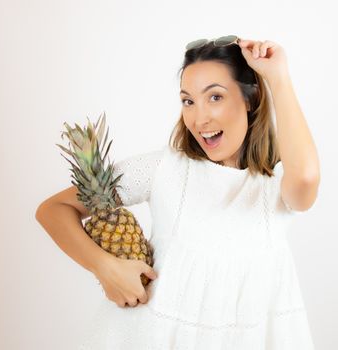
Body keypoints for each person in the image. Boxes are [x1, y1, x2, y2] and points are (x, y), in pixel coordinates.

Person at [36, 35, 320, 349]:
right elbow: (54, 209)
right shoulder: (165, 168)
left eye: (215, 97)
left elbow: (306, 180)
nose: (199, 119)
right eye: (188, 101)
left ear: (249, 99)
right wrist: (105, 267)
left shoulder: (276, 185)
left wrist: (278, 77)